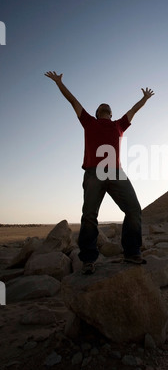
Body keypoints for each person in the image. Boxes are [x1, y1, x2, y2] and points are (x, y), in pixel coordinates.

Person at [45, 71, 154, 274]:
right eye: (102, 107)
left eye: (108, 107)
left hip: (116, 172)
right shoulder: (89, 122)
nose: (105, 107)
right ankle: (88, 259)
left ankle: (131, 252)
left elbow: (133, 110)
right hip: (94, 172)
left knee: (134, 210)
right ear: (97, 113)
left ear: (111, 114)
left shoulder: (119, 125)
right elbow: (73, 101)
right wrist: (60, 83)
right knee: (89, 216)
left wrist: (144, 98)